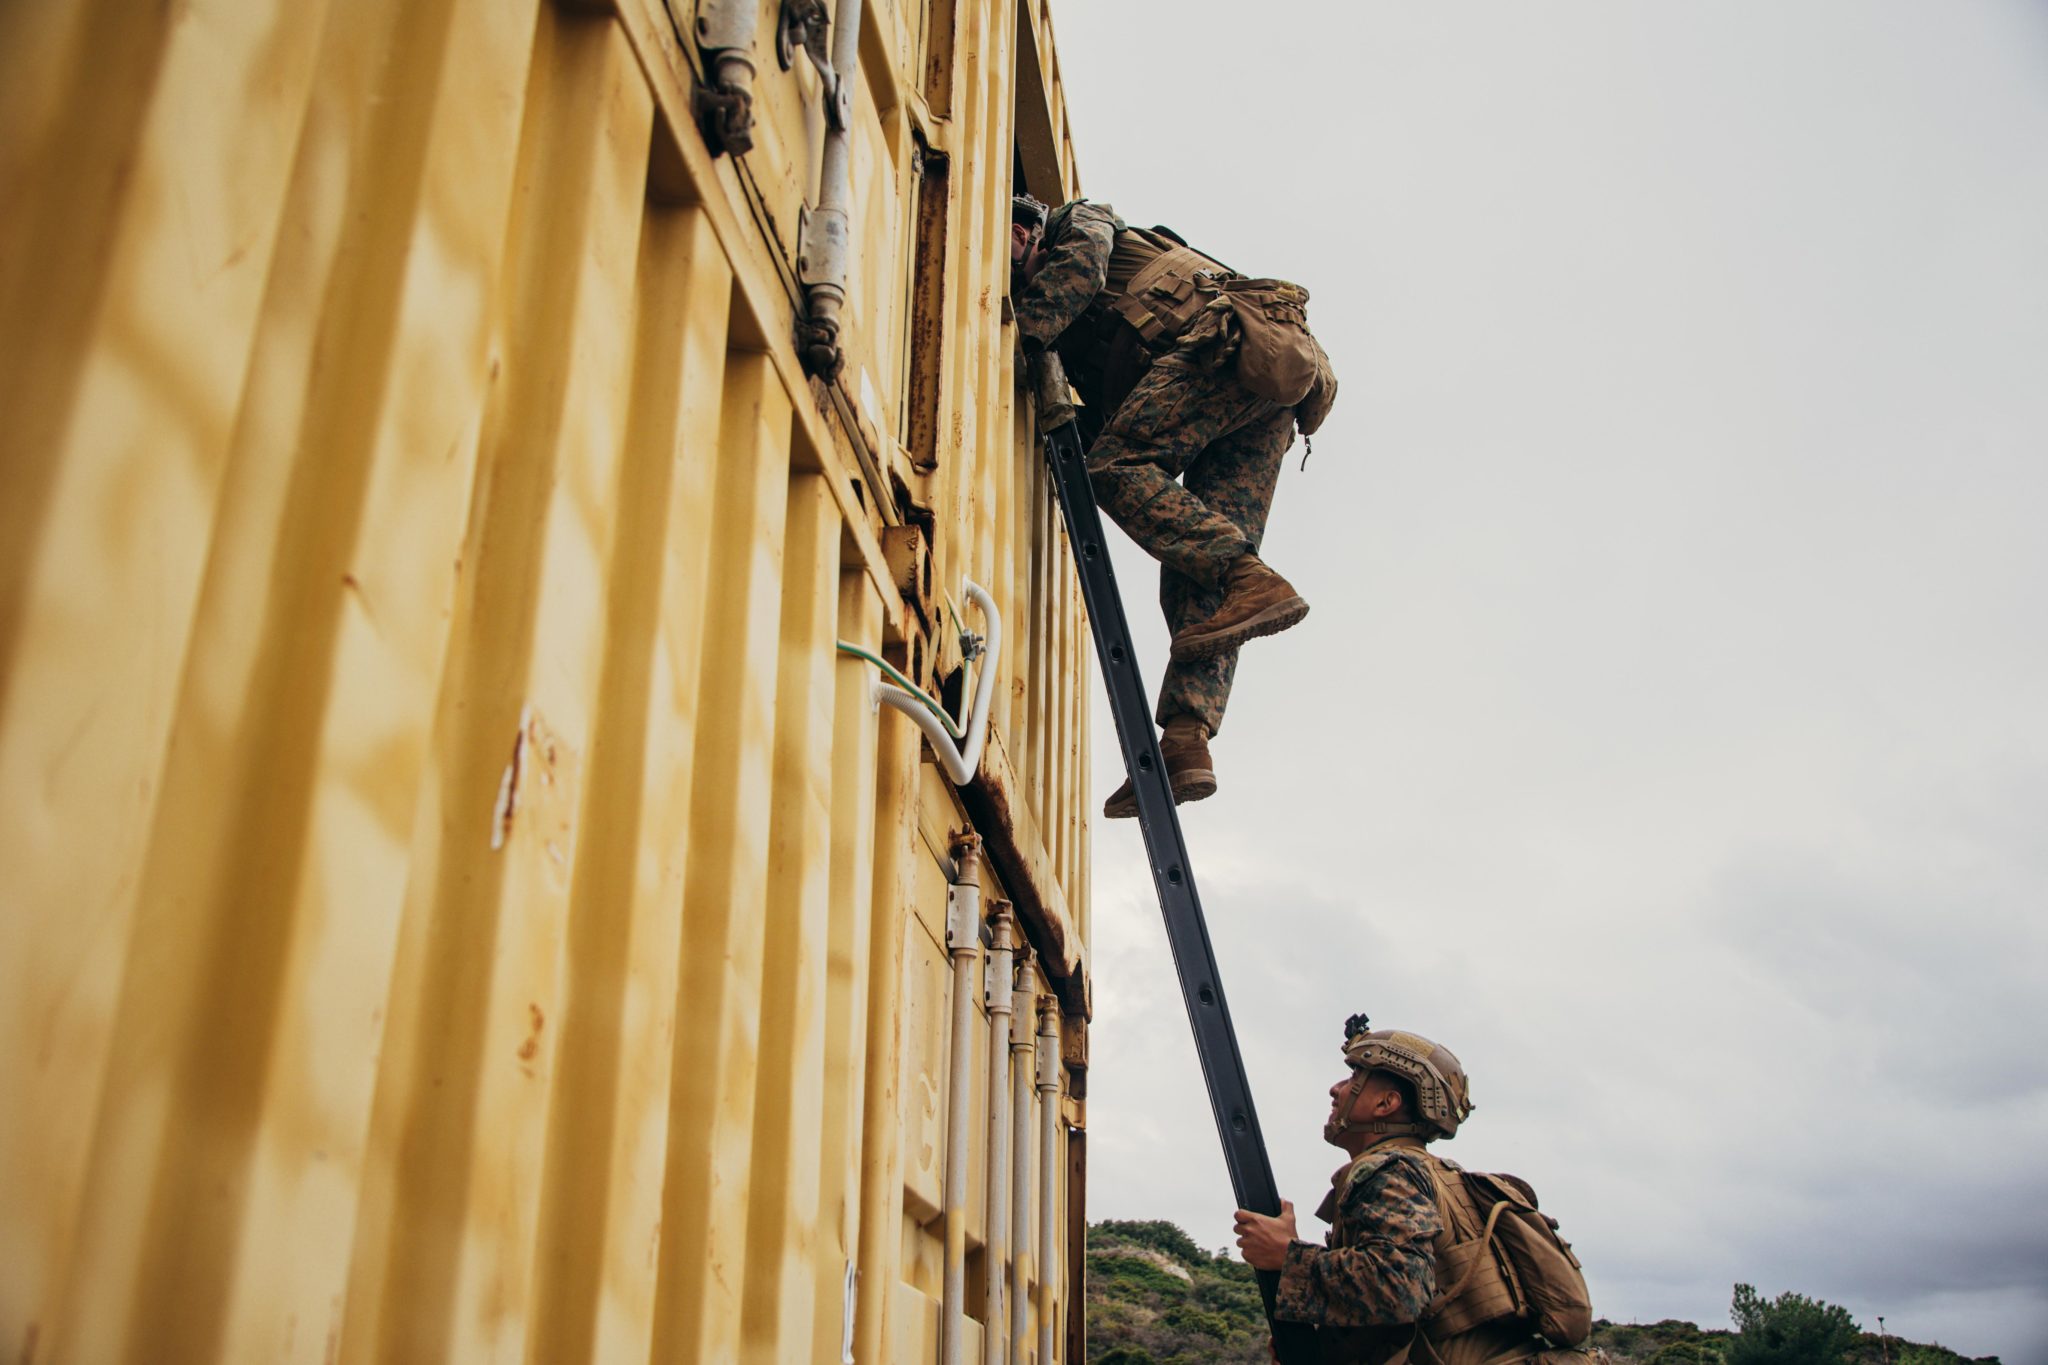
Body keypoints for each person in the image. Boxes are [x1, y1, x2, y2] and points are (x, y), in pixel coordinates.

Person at [1010, 193, 1335, 818]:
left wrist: (1010, 338)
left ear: (1028, 226)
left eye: (1012, 242)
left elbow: (1081, 267)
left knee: (1117, 468)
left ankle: (1247, 576)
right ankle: (1188, 740)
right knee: (1197, 566)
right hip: (1259, 396)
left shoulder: (1082, 221)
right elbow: (1126, 414)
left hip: (1225, 351)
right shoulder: (1084, 337)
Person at [1232, 1018, 1597, 1364]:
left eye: (1355, 1075)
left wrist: (1287, 1257)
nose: (1336, 1089)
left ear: (1386, 1103)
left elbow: (1399, 1288)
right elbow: (1414, 1321)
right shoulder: (1439, 1177)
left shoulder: (1389, 1170)